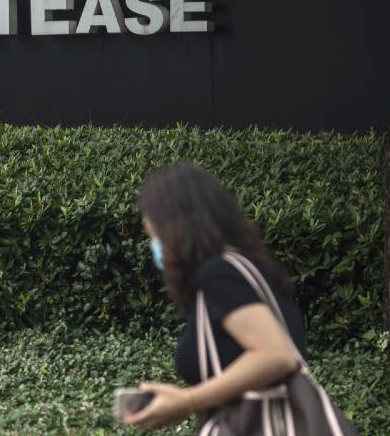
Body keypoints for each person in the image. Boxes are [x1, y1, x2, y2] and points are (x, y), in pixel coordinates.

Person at [123, 162, 306, 430]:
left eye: (153, 232)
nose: (154, 243)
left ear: (175, 224)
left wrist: (188, 400)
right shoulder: (247, 269)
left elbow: (276, 355)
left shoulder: (220, 274)